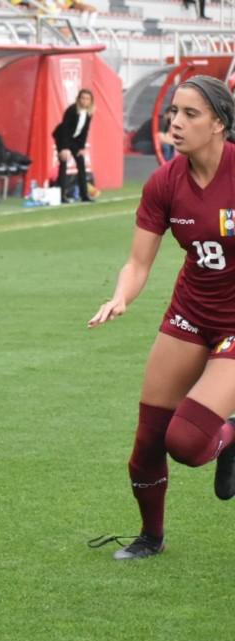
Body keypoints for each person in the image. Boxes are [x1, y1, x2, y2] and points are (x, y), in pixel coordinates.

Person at [86, 75, 235, 561]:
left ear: (219, 123)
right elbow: (139, 262)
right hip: (190, 313)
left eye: (191, 114)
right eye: (174, 111)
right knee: (148, 440)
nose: (176, 122)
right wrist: (121, 296)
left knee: (188, 443)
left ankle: (230, 434)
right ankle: (151, 536)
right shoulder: (164, 182)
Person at [52, 88, 94, 203]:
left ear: (90, 101)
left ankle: (84, 194)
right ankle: (61, 195)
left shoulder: (89, 114)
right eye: (82, 98)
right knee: (63, 164)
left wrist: (81, 148)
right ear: (78, 99)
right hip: (62, 138)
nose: (84, 101)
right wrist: (64, 148)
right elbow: (65, 129)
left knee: (81, 163)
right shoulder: (71, 110)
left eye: (87, 99)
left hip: (75, 140)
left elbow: (85, 131)